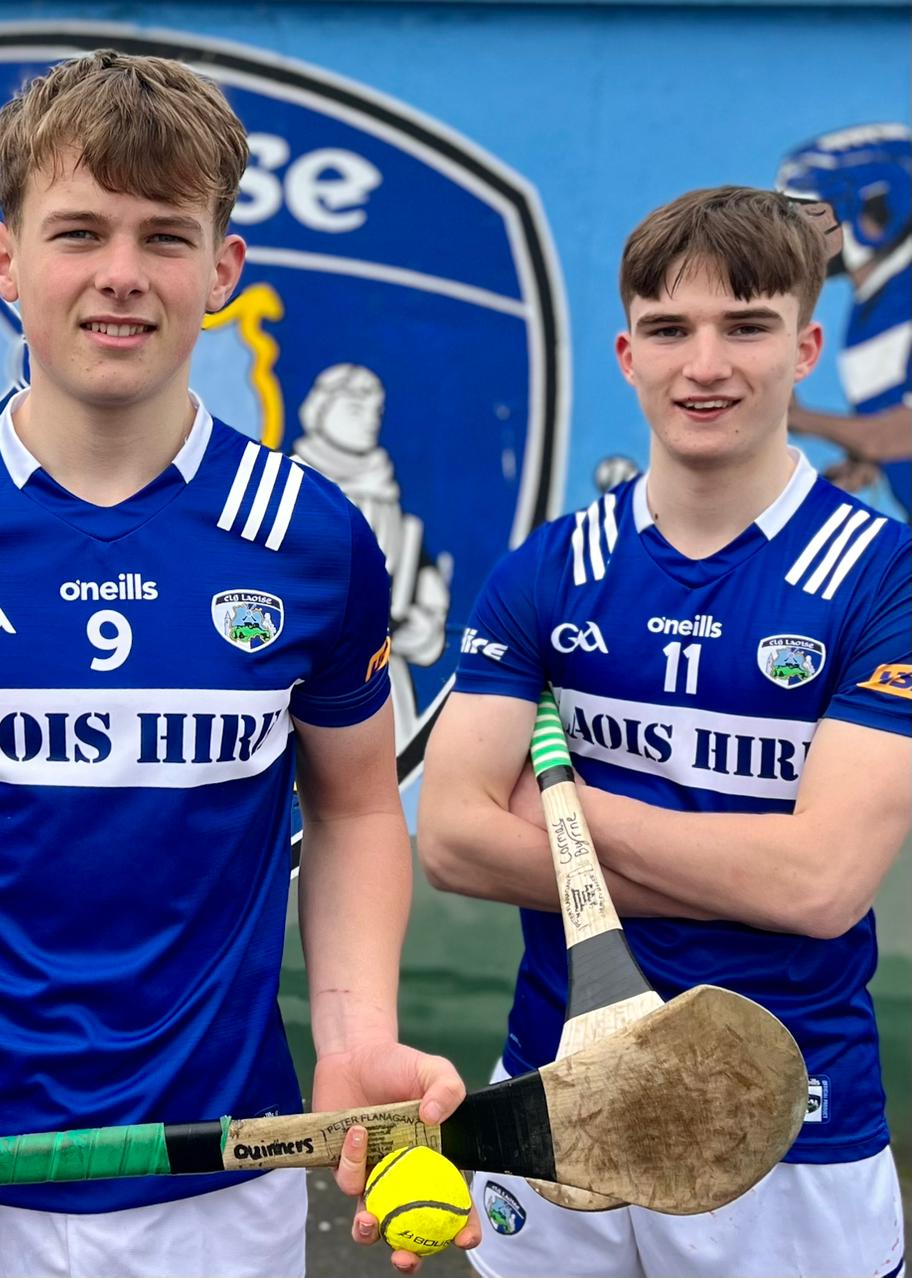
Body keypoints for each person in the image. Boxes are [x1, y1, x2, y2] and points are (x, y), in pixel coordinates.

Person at [0, 49, 476, 1278]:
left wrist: (355, 1034)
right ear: (4, 257)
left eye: (164, 237)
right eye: (78, 232)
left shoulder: (310, 538)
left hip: (220, 1170)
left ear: (221, 271)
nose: (120, 276)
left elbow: (351, 805)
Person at [418, 186, 909, 1278]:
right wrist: (750, 864)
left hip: (789, 1117)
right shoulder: (545, 570)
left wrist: (575, 817)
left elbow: (822, 886)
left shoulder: (882, 578)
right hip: (558, 1094)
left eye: (746, 326)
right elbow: (450, 841)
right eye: (671, 330)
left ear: (807, 345)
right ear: (625, 351)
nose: (706, 365)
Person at [779, 124, 912, 513]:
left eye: (813, 217)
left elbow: (900, 433)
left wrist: (799, 419)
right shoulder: (874, 303)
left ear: (880, 210)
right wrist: (864, 464)